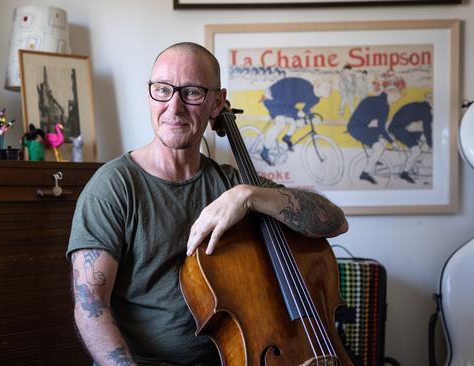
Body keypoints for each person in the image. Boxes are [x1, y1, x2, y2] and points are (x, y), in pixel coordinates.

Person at [67, 42, 348, 366]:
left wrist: (250, 195)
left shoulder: (233, 185)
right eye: (162, 90)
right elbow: (91, 305)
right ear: (150, 94)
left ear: (217, 102)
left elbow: (336, 221)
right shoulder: (114, 187)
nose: (174, 107)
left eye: (192, 93)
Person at [260, 76, 329, 165]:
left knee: (295, 121)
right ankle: (264, 151)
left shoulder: (316, 98)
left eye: (323, 94)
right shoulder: (304, 87)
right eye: (321, 91)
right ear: (317, 87)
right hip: (273, 97)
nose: (321, 95)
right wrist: (298, 116)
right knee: (281, 123)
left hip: (287, 102)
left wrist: (310, 117)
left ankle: (286, 138)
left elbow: (305, 110)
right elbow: (289, 106)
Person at [347, 86, 401, 185]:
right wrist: (392, 142)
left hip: (355, 125)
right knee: (380, 146)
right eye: (394, 98)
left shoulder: (371, 98)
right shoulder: (385, 106)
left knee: (383, 139)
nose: (394, 102)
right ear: (389, 94)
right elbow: (381, 128)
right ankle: (365, 173)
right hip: (358, 128)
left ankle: (374, 158)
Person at [388, 94, 433, 184]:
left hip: (399, 127)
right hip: (398, 129)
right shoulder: (426, 111)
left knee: (423, 138)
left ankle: (416, 160)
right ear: (431, 101)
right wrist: (432, 145)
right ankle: (405, 173)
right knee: (417, 151)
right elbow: (427, 129)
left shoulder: (419, 105)